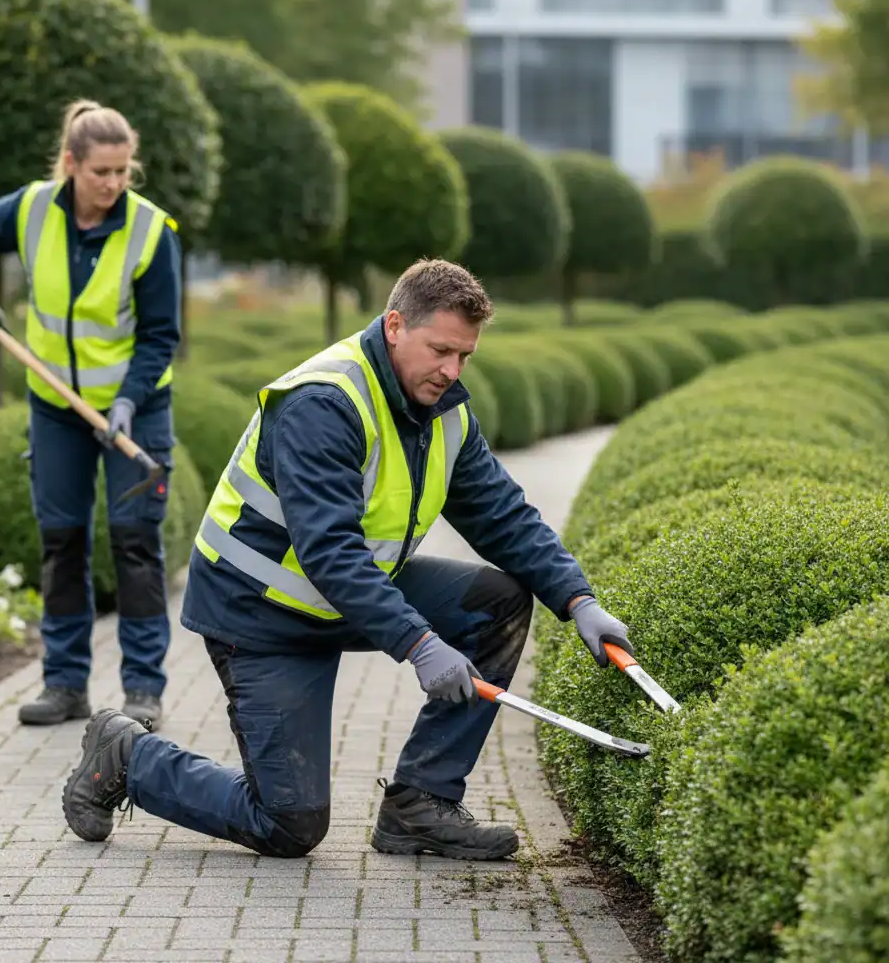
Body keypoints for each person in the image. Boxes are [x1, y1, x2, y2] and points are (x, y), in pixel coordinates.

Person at [60, 259, 636, 860]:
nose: (451, 370)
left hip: (345, 598)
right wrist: (419, 643)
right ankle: (127, 754)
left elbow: (503, 515)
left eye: (464, 356)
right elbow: (329, 553)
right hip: (261, 614)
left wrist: (578, 598)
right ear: (394, 326)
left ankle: (421, 805)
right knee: (289, 826)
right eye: (440, 350)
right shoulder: (323, 403)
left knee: (498, 603)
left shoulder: (442, 410)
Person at [0, 99, 182, 730]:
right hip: (56, 407)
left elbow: (161, 335)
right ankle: (65, 684)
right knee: (62, 539)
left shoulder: (152, 232)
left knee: (135, 542)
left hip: (137, 406)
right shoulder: (30, 209)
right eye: (101, 171)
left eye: (123, 172)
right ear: (71, 164)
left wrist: (127, 401)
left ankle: (143, 690)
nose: (113, 184)